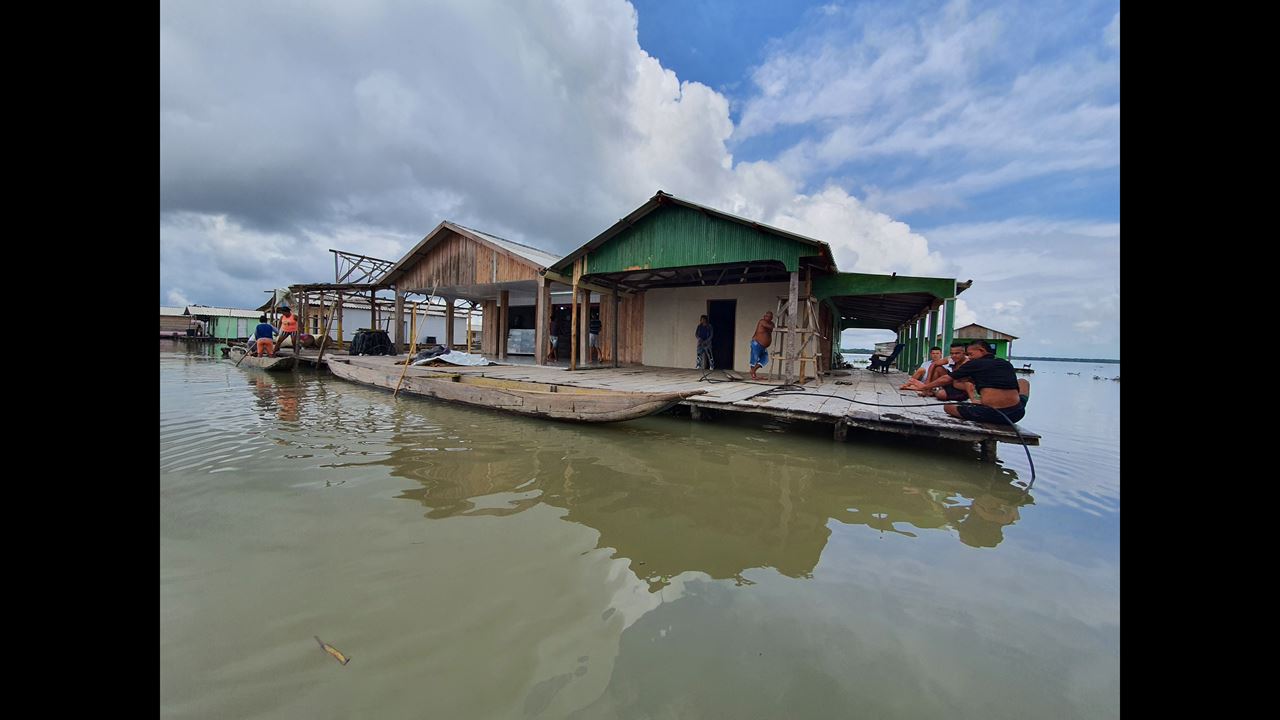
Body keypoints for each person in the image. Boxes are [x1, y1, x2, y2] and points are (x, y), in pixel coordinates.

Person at [943, 340, 1029, 424]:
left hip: (991, 413)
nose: (969, 357)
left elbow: (947, 379)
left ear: (982, 351)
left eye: (970, 354)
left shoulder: (974, 364)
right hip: (1017, 413)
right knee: (1023, 381)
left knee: (948, 407)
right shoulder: (1005, 363)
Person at [749, 311, 774, 380]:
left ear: (772, 318)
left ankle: (753, 370)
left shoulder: (772, 324)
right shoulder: (762, 321)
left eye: (770, 316)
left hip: (763, 346)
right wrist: (776, 327)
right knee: (754, 358)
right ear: (764, 316)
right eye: (767, 316)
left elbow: (772, 327)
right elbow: (770, 327)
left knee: (765, 359)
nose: (768, 317)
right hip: (756, 343)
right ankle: (753, 374)